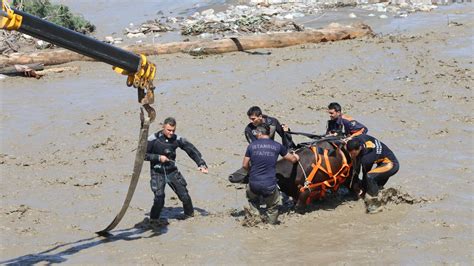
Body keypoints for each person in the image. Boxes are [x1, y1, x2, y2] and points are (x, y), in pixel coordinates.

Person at [145, 117, 208, 224]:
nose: (171, 132)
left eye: (173, 130)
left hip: (172, 171)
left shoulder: (177, 139)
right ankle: (153, 220)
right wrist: (158, 158)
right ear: (163, 127)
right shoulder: (152, 139)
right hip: (157, 173)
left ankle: (189, 215)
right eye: (169, 130)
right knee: (159, 199)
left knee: (184, 195)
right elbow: (142, 156)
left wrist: (201, 164)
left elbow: (191, 150)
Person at [242, 124, 300, 225]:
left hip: (253, 183)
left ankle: (255, 217)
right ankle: (270, 223)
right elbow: (292, 160)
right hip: (269, 185)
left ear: (260, 133)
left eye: (255, 133)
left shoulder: (251, 146)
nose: (255, 135)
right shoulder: (277, 146)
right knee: (273, 206)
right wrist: (296, 156)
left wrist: (250, 173)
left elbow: (244, 165)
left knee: (252, 200)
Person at [346, 135, 399, 212]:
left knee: (369, 177)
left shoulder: (367, 158)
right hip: (381, 161)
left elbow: (365, 174)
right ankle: (381, 193)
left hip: (391, 164)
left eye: (353, 154)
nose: (351, 155)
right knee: (377, 186)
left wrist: (363, 188)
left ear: (359, 148)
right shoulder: (360, 139)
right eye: (350, 153)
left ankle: (375, 203)